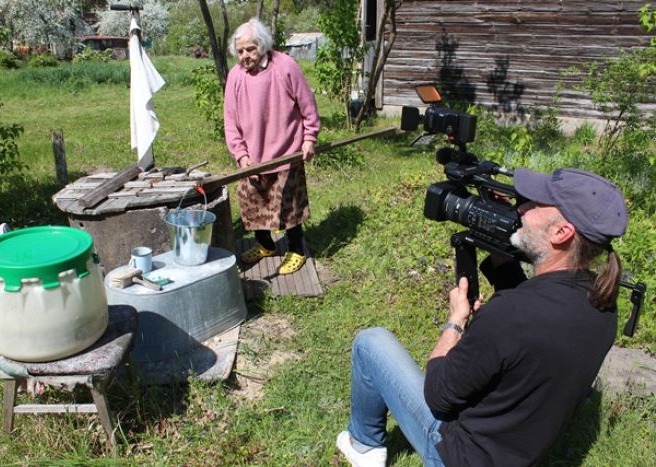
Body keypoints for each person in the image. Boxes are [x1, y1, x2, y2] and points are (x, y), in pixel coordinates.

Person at [336, 168, 629, 466]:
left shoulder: (509, 313)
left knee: (370, 343)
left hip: (461, 457)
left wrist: (455, 322)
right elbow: (534, 327)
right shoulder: (602, 304)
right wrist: (502, 253)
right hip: (519, 453)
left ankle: (364, 445)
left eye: (534, 205)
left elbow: (438, 396)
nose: (521, 208)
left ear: (561, 232)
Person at [223, 18, 321, 275]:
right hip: (253, 156)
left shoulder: (285, 66)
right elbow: (230, 120)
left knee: (289, 207)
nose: (245, 55)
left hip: (286, 152)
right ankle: (265, 245)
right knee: (254, 203)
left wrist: (309, 138)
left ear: (263, 46)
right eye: (241, 50)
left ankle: (296, 249)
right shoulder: (236, 75)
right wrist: (241, 155)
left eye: (250, 49)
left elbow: (307, 105)